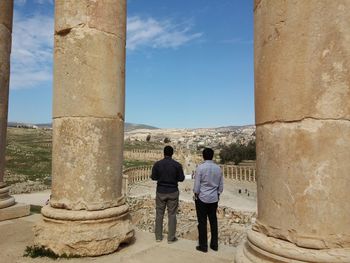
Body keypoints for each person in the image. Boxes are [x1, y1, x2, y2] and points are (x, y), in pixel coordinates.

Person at [151, 145, 185, 243]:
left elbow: (153, 177)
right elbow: (181, 178)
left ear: (163, 153)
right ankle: (170, 238)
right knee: (172, 215)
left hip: (161, 191)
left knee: (159, 214)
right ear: (172, 153)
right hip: (173, 192)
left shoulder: (157, 164)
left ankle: (158, 237)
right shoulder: (177, 165)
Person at [193, 148, 223, 252]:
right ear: (212, 156)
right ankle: (214, 245)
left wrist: (196, 194)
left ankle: (203, 246)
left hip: (202, 198)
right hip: (214, 198)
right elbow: (221, 186)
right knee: (213, 221)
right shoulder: (218, 168)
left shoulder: (200, 168)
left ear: (203, 156)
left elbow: (197, 186)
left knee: (202, 222)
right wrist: (217, 194)